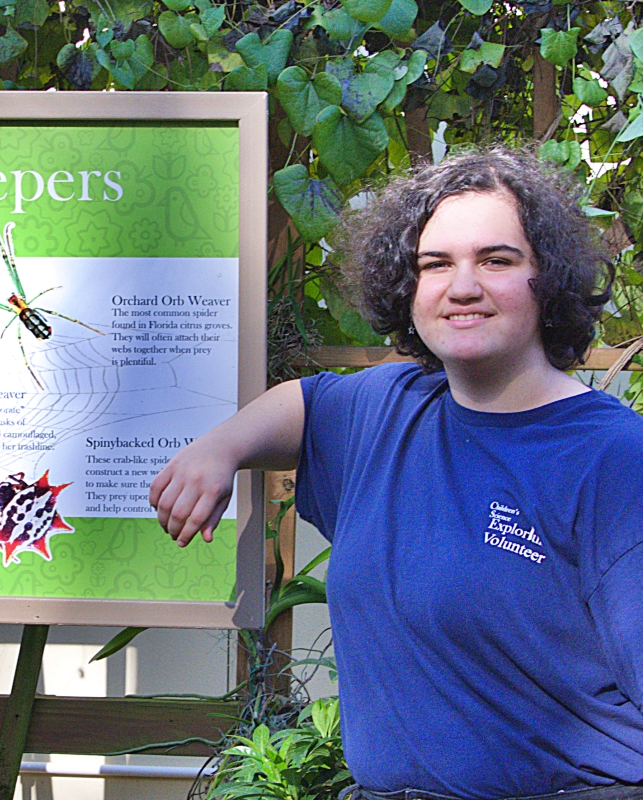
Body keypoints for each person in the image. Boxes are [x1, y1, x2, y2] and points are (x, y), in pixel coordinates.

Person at [149, 146, 643, 798]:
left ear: (547, 278)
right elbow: (302, 402)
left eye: (497, 260)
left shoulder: (612, 458)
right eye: (435, 264)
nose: (462, 286)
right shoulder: (386, 408)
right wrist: (219, 449)